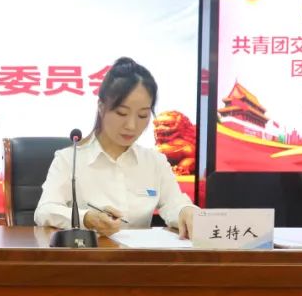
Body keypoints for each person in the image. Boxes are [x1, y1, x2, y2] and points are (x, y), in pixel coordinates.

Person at [34, 56, 196, 238]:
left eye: (143, 115)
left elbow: (174, 204)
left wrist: (185, 211)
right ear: (101, 107)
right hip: (88, 253)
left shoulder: (154, 161)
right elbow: (45, 211)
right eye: (121, 113)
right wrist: (87, 218)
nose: (131, 126)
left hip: (140, 255)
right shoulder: (69, 159)